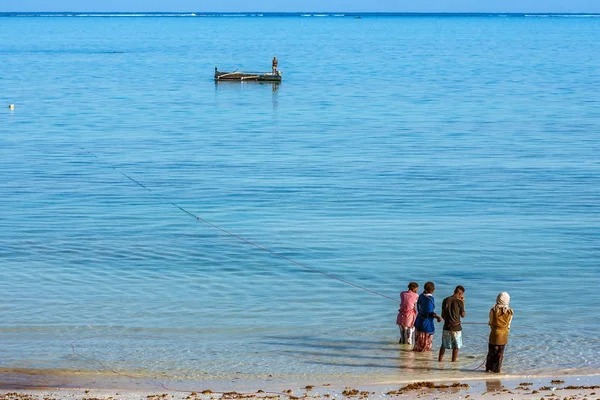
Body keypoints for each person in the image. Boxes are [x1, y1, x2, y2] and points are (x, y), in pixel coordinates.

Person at [485, 292, 514, 373]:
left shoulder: (493, 310)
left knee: (491, 352)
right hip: (504, 334)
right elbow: (508, 325)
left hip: (494, 333)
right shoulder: (510, 312)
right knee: (500, 353)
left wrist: (491, 325)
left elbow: (490, 322)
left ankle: (488, 369)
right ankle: (497, 370)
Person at [438, 285, 466, 362]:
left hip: (446, 326)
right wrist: (463, 303)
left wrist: (448, 321)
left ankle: (439, 360)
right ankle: (453, 362)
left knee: (443, 345)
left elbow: (442, 315)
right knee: (456, 347)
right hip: (456, 327)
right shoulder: (460, 302)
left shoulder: (445, 300)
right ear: (460, 294)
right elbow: (463, 315)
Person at [413, 282, 442, 352]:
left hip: (419, 321)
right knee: (425, 346)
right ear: (433, 290)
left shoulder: (421, 295)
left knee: (418, 344)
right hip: (426, 324)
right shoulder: (430, 299)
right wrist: (437, 317)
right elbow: (430, 313)